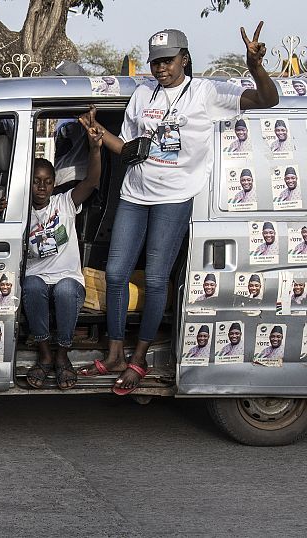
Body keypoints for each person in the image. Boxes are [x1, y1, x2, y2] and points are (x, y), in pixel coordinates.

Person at [78, 23, 278, 395]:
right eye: (155, 62)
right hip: (134, 195)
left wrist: (255, 66)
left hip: (174, 198)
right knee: (117, 273)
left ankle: (140, 357)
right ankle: (117, 351)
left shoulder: (206, 92)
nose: (161, 69)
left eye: (168, 61)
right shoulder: (142, 95)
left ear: (184, 58)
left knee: (155, 279)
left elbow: (267, 101)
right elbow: (127, 149)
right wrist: (98, 135)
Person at [23, 110, 103, 390]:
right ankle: (45, 354)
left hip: (68, 279)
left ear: (54, 184)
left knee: (66, 289)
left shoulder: (65, 203)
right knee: (32, 286)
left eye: (47, 181)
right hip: (37, 279)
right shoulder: (21, 212)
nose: (42, 186)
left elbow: (92, 181)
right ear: (27, 182)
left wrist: (95, 148)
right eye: (36, 180)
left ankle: (62, 354)